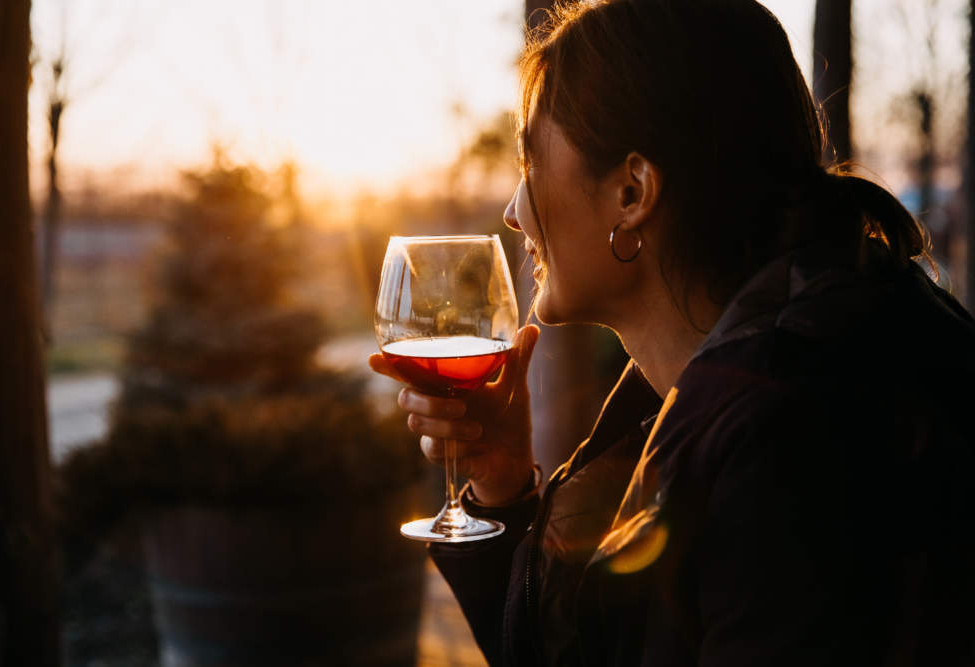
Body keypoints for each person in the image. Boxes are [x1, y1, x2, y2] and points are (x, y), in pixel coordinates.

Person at [370, 0, 975, 664]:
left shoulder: (786, 439)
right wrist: (504, 484)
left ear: (632, 192)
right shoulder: (719, 381)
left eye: (530, 163)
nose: (515, 213)